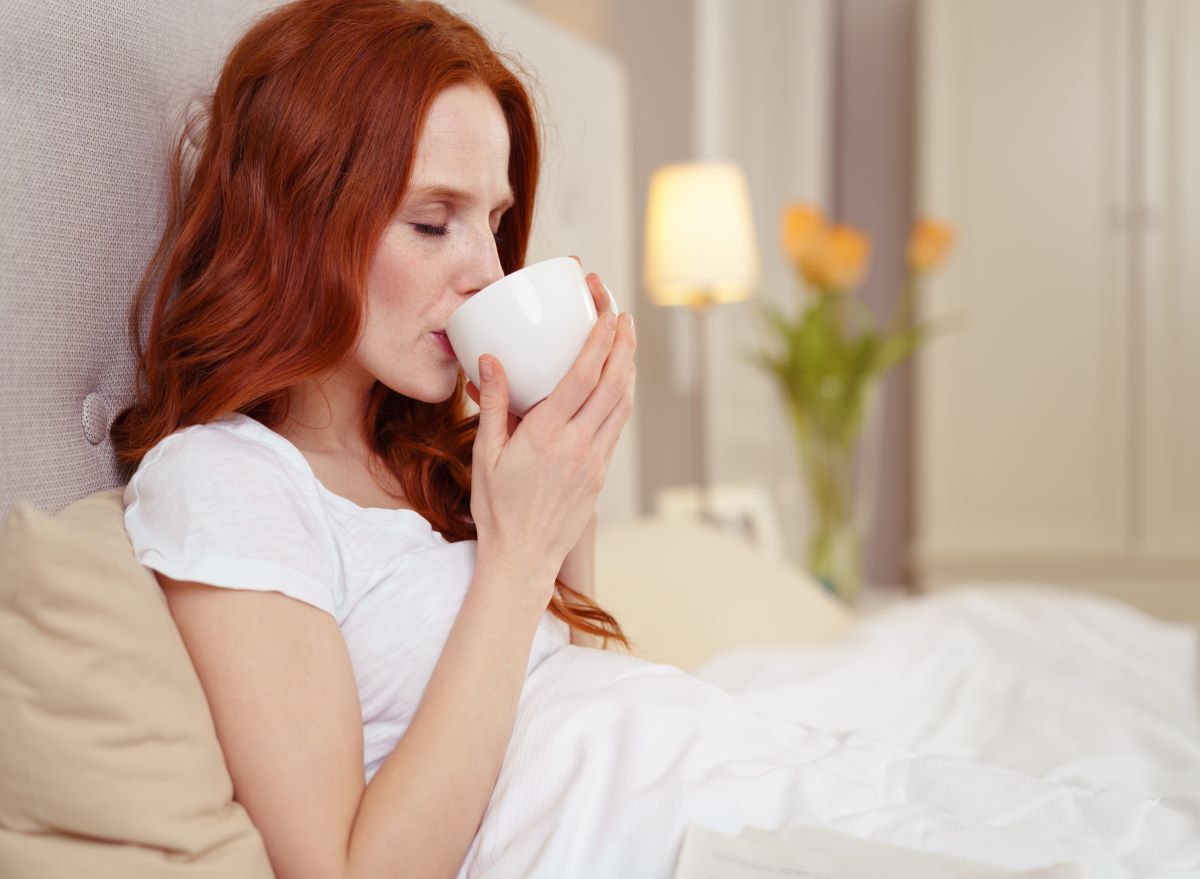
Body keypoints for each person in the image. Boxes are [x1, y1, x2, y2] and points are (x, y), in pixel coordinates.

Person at [113, 2, 1199, 878]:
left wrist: (561, 473)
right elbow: (353, 871)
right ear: (303, 214)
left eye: (494, 219)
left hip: (735, 776)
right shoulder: (226, 480)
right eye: (431, 219)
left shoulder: (420, 456)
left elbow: (565, 687)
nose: (486, 271)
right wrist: (522, 550)